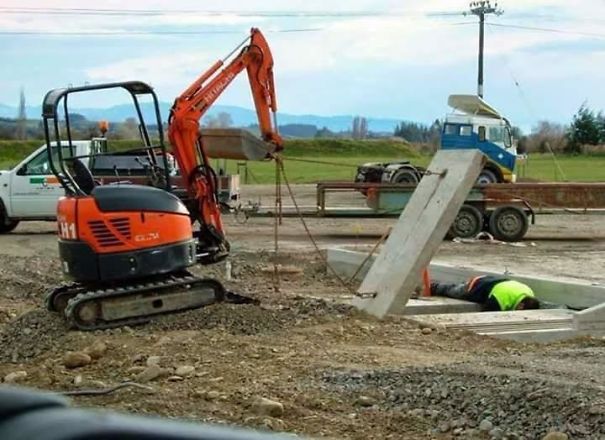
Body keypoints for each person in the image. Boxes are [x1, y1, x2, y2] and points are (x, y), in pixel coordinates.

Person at [430, 275, 541, 311]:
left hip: (492, 280)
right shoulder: (500, 299)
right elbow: (487, 314)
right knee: (454, 291)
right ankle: (432, 287)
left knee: (458, 287)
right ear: (521, 306)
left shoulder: (529, 292)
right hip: (477, 285)